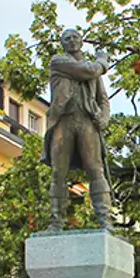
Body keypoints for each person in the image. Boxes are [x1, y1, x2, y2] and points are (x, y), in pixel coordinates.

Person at [44, 27, 113, 229]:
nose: (72, 41)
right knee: (59, 172)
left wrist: (105, 119)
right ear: (62, 44)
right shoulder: (59, 62)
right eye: (67, 39)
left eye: (75, 38)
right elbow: (89, 71)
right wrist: (103, 61)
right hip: (63, 121)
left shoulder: (92, 70)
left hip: (87, 121)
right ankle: (56, 221)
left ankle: (105, 219)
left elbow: (103, 99)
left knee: (95, 169)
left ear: (81, 42)